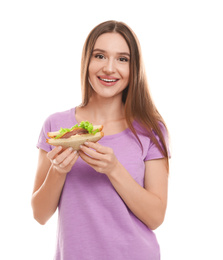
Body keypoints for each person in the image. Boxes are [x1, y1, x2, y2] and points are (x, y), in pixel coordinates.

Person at [31, 20, 170, 260]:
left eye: (122, 59)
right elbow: (40, 214)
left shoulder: (150, 129)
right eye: (100, 56)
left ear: (133, 68)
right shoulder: (56, 127)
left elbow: (156, 217)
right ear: (87, 61)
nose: (109, 68)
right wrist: (58, 171)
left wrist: (114, 169)